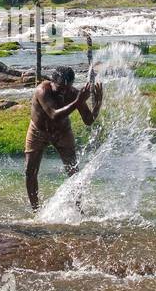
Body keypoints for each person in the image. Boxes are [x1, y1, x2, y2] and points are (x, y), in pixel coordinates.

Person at [24, 66, 102, 210]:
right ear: (52, 81)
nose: (63, 92)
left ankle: (78, 209)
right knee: (30, 171)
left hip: (62, 132)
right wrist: (77, 102)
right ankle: (36, 210)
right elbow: (53, 114)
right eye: (60, 89)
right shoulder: (42, 90)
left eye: (67, 88)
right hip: (38, 130)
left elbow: (88, 120)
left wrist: (97, 105)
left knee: (73, 172)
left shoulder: (73, 94)